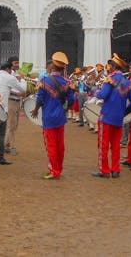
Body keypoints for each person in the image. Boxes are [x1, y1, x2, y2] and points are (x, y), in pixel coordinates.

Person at [91, 53, 131, 179]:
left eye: (109, 65)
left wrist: (95, 91)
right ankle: (115, 170)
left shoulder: (110, 79)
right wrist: (124, 112)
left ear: (113, 66)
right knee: (116, 146)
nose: (108, 67)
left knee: (103, 145)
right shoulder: (128, 83)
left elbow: (102, 95)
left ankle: (104, 170)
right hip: (118, 118)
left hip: (106, 116)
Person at [31, 52, 75, 180]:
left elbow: (40, 99)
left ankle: (53, 170)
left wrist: (35, 109)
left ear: (53, 67)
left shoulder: (45, 81)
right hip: (60, 117)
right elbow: (72, 100)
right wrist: (66, 109)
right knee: (60, 144)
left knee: (51, 144)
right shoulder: (68, 82)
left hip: (48, 117)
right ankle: (59, 169)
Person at [4, 57, 27, 156]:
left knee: (14, 125)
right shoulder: (8, 75)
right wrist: (17, 93)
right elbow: (6, 88)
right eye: (15, 63)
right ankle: (10, 146)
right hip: (11, 101)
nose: (17, 64)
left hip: (17, 102)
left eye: (18, 62)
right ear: (10, 64)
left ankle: (7, 145)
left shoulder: (16, 75)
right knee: (11, 125)